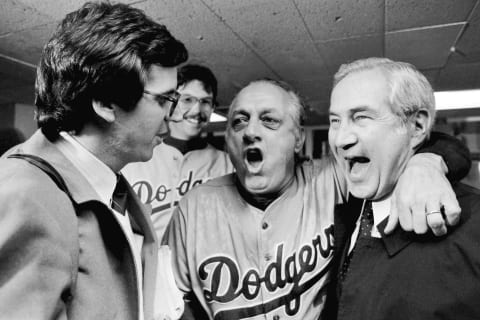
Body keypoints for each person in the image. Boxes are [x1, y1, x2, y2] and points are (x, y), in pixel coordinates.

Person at [163, 78, 470, 320]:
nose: (250, 131)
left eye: (269, 120)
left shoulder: (332, 178)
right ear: (227, 139)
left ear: (298, 139)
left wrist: (428, 163)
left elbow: (408, 145)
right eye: (239, 121)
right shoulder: (193, 206)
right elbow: (170, 302)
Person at [0, 2, 188, 319]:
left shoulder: (110, 186)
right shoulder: (26, 193)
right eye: (163, 99)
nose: (175, 114)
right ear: (104, 101)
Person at [326, 57, 480, 320]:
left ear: (417, 126)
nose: (340, 139)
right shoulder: (348, 207)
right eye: (335, 121)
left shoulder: (474, 228)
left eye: (361, 117)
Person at [123, 64, 233, 240]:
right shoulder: (133, 157)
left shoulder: (227, 165)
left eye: (205, 102)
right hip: (145, 262)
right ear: (171, 101)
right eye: (187, 100)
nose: (197, 110)